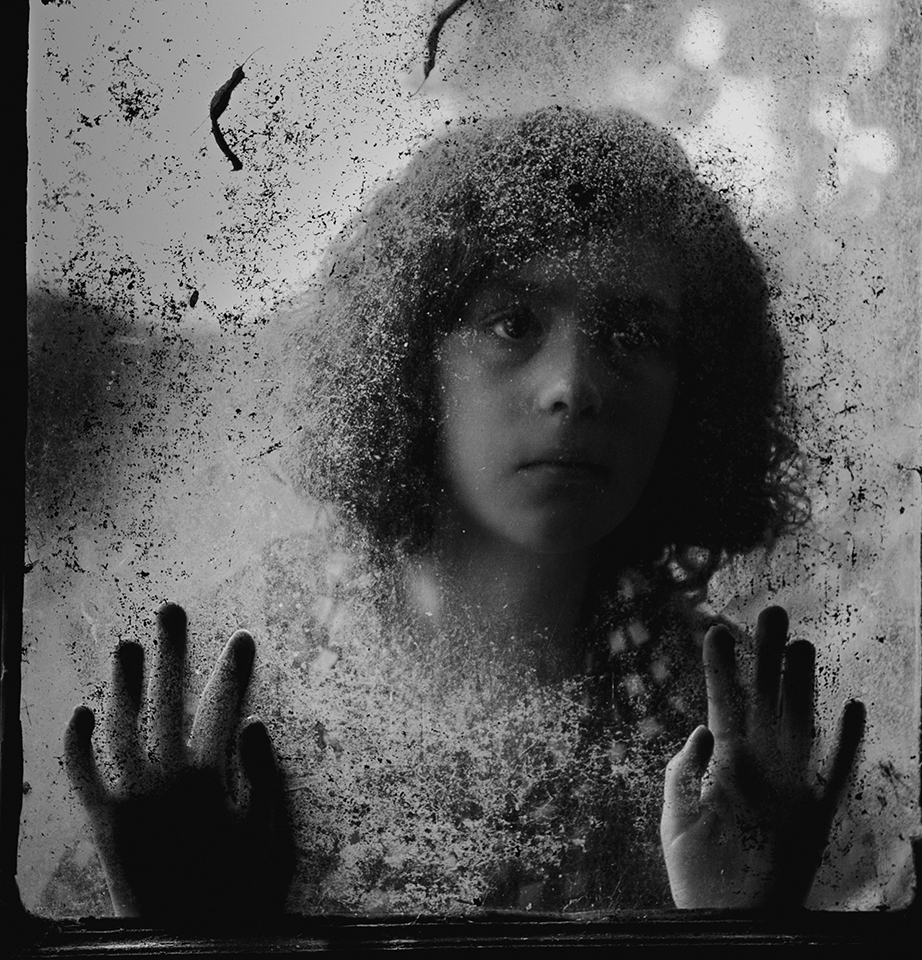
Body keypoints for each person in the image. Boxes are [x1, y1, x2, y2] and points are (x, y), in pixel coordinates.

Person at [63, 106, 865, 920]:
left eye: (634, 333)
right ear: (414, 357)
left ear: (693, 388)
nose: (574, 386)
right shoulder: (227, 688)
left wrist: (743, 919)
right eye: (513, 324)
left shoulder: (735, 739)